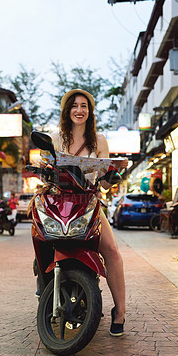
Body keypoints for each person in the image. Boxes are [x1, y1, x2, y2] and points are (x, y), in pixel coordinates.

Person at [50, 89, 128, 336]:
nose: (79, 110)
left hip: (89, 202)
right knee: (41, 236)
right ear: (67, 110)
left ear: (90, 111)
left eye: (84, 106)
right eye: (74, 105)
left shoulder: (100, 140)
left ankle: (121, 311)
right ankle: (43, 284)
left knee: (112, 252)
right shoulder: (55, 138)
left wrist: (114, 174)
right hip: (60, 203)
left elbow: (103, 183)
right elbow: (47, 170)